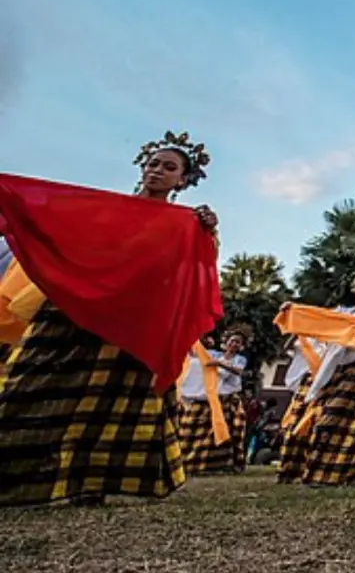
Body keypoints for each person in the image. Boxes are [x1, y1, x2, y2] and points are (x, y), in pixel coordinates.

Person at [0, 132, 217, 507]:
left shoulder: (185, 222)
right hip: (75, 308)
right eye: (153, 164)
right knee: (32, 381)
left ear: (182, 180)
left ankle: (89, 483)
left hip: (134, 320)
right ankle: (14, 477)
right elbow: (62, 231)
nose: (158, 171)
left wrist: (209, 233)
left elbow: (193, 268)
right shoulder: (108, 210)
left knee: (108, 400)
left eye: (169, 167)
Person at [277, 269, 355, 487]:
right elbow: (317, 320)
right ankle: (308, 470)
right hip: (333, 369)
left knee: (341, 418)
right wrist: (293, 310)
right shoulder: (343, 312)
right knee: (315, 414)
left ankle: (335, 472)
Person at [178, 327, 250, 475]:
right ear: (226, 342)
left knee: (233, 430)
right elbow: (195, 356)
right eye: (232, 341)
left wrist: (219, 364)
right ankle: (196, 462)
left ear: (241, 346)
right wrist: (194, 337)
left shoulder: (239, 359)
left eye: (238, 342)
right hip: (212, 398)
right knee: (203, 432)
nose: (234, 344)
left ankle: (229, 464)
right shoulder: (214, 354)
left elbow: (238, 371)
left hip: (230, 401)